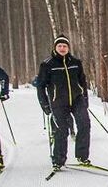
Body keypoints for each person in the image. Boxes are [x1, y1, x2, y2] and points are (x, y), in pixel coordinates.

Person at [35, 34, 92, 169]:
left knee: (84, 125)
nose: (62, 48)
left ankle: (82, 156)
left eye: (64, 46)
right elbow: (40, 86)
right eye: (59, 46)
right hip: (58, 102)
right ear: (55, 47)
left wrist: (85, 99)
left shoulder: (76, 62)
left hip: (77, 100)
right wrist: (45, 105)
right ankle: (58, 160)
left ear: (68, 48)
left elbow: (82, 82)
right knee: (61, 130)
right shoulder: (47, 64)